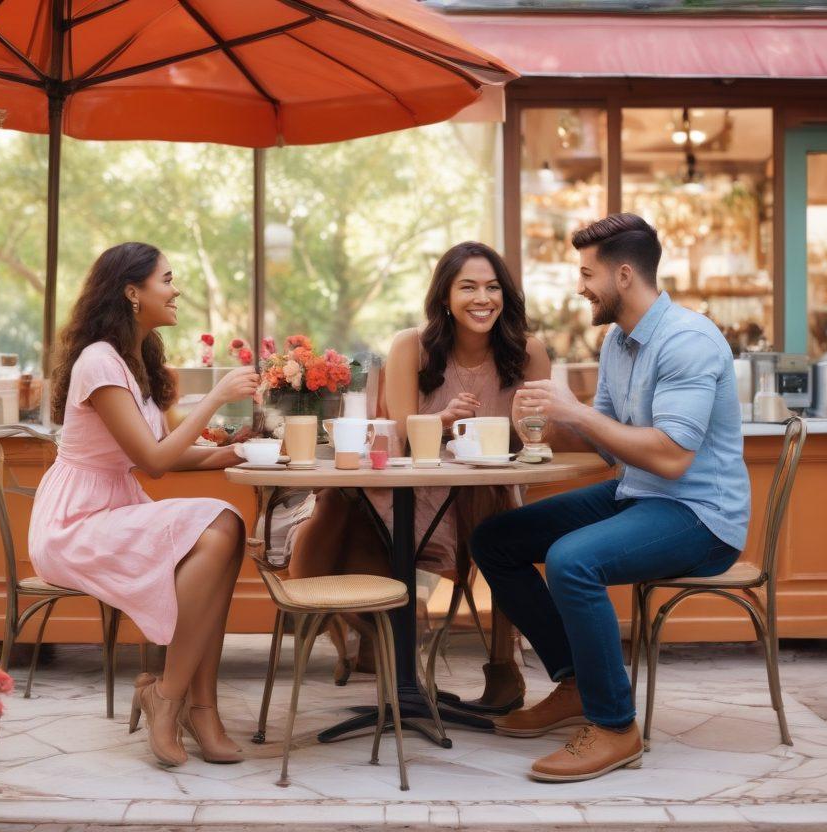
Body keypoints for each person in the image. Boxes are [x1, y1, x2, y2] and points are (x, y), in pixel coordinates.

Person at [470, 213, 750, 782]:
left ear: (624, 275)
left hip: (701, 516)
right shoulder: (619, 342)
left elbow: (671, 456)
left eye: (586, 273)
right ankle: (576, 683)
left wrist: (573, 411)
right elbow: (608, 444)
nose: (579, 286)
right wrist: (548, 418)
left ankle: (615, 726)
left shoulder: (688, 341)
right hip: (639, 494)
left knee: (574, 560)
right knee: (496, 539)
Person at [288, 241, 550, 708]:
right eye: (467, 287)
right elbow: (404, 437)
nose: (482, 298)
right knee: (338, 500)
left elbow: (534, 439)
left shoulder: (528, 352)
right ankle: (366, 633)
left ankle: (502, 668)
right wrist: (445, 419)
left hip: (486, 488)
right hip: (414, 489)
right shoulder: (412, 346)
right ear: (444, 297)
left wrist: (528, 425)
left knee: (498, 510)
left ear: (506, 296)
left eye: (492, 287)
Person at [29, 242, 260, 768]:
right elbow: (153, 461)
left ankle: (203, 707)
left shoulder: (136, 361)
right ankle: (172, 696)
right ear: (132, 292)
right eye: (167, 279)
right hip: (75, 523)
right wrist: (216, 398)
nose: (176, 290)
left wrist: (231, 450)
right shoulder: (99, 363)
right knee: (221, 523)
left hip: (113, 508)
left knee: (226, 531)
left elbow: (163, 459)